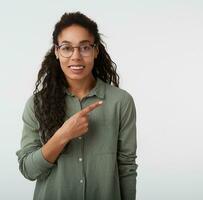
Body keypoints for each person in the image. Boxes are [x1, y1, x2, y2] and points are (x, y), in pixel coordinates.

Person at [16, 12, 137, 200]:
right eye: (66, 48)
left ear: (96, 50)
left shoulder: (121, 102)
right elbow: (28, 170)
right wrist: (63, 135)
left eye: (85, 47)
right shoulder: (36, 105)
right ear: (56, 51)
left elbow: (126, 166)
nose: (76, 56)